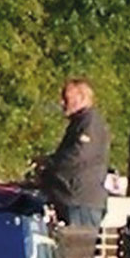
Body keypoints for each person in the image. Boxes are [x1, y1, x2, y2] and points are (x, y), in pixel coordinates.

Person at [31, 78, 110, 227]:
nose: (62, 103)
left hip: (80, 201)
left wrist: (50, 164)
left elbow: (78, 155)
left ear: (82, 98)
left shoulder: (90, 123)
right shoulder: (80, 123)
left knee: (77, 248)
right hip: (71, 198)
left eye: (66, 98)